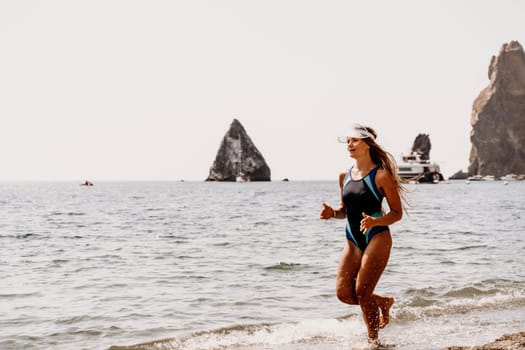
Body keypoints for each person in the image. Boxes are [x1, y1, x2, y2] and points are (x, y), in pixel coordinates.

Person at [320, 124, 406, 344]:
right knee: (344, 294)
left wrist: (376, 221)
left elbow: (397, 214)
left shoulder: (381, 176)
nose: (349, 144)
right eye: (348, 141)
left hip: (377, 236)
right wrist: (332, 213)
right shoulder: (344, 176)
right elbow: (345, 211)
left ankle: (373, 343)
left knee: (362, 292)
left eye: (354, 140)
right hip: (353, 239)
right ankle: (383, 303)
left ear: (367, 144)